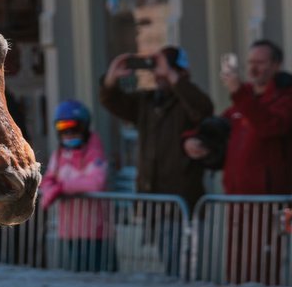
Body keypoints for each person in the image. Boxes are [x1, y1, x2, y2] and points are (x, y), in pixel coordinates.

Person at [99, 46, 214, 210]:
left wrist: (172, 76)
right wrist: (110, 79)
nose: (159, 74)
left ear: (181, 72)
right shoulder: (147, 102)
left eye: (165, 69)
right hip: (150, 205)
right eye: (156, 69)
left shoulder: (188, 102)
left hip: (182, 205)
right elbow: (113, 102)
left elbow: (203, 110)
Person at [39, 100, 114, 272]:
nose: (69, 133)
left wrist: (61, 187)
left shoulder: (94, 149)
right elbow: (48, 180)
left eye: (74, 127)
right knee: (79, 275)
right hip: (70, 231)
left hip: (95, 232)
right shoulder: (59, 153)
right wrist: (53, 187)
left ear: (84, 127)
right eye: (63, 128)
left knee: (97, 278)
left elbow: (95, 182)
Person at [217, 40, 292, 196]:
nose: (253, 68)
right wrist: (194, 139)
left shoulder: (285, 97)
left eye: (260, 62)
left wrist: (239, 94)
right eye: (250, 62)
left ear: (276, 65)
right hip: (237, 196)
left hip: (269, 197)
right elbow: (219, 126)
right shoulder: (246, 97)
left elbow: (270, 126)